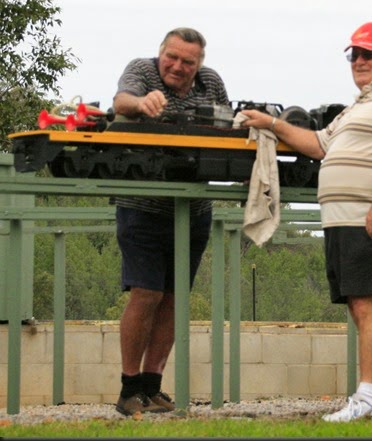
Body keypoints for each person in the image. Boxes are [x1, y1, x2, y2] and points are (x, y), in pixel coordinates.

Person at [241, 22, 372, 422]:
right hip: (346, 221)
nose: (358, 61)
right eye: (353, 54)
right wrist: (271, 123)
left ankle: (366, 396)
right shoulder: (356, 107)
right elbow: (318, 144)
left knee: (368, 304)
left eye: (367, 53)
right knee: (364, 308)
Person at [111, 27, 229, 416]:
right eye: (171, 57)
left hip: (193, 208)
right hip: (143, 205)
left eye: (187, 61)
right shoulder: (142, 71)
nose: (177, 66)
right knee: (146, 293)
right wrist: (141, 102)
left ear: (199, 64)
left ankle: (152, 385)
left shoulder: (211, 83)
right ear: (161, 53)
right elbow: (121, 101)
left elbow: (228, 124)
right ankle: (129, 389)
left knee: (175, 297)